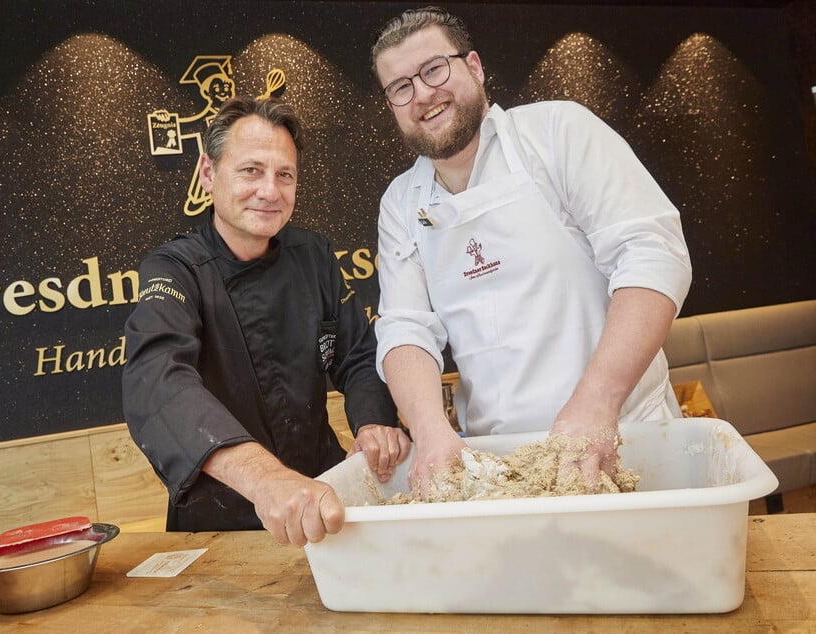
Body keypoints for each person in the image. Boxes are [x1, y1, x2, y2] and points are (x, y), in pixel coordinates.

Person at [370, 7, 692, 496]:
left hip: (625, 439)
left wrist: (597, 405)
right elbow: (405, 328)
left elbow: (651, 251)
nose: (423, 95)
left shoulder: (558, 133)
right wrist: (431, 431)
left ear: (474, 67)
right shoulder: (401, 203)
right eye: (401, 87)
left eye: (435, 69)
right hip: (500, 468)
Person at [122, 96, 409, 545]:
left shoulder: (314, 257)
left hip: (324, 497)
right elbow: (159, 380)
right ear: (208, 174)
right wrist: (265, 480)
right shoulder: (174, 270)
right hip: (223, 518)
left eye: (285, 175)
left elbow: (357, 356)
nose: (270, 191)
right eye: (251, 171)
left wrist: (373, 421)